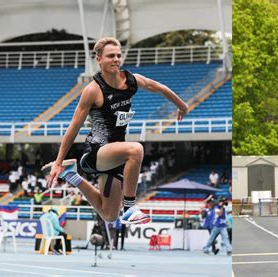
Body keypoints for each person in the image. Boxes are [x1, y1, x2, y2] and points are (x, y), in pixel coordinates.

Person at [44, 37, 189, 225]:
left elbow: (160, 88)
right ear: (99, 60)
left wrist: (182, 105)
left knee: (109, 215)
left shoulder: (131, 80)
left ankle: (72, 175)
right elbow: (74, 127)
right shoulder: (92, 90)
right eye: (110, 56)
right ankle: (130, 207)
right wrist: (57, 161)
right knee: (135, 150)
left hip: (116, 155)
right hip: (97, 152)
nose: (116, 59)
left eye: (119, 55)